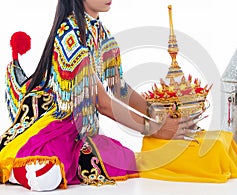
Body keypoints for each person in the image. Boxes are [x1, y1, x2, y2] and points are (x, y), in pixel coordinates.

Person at [0, 0, 199, 191]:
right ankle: (18, 171)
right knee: (48, 175)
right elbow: (101, 102)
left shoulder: (101, 33)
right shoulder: (68, 33)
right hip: (59, 127)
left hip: (85, 131)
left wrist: (158, 114)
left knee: (127, 160)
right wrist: (153, 129)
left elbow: (119, 88)